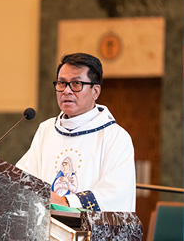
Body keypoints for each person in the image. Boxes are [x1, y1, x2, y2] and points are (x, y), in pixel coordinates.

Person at [16, 53, 136, 212]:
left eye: (76, 83)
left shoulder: (115, 137)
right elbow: (22, 180)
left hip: (88, 234)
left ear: (96, 91)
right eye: (62, 83)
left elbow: (114, 195)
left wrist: (65, 202)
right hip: (43, 231)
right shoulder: (46, 130)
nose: (67, 91)